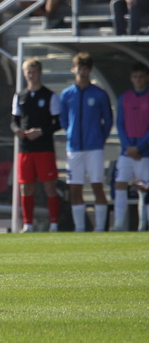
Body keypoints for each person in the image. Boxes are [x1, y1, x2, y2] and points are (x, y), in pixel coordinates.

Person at [60, 53, 113, 232]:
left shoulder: (99, 94)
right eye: (79, 68)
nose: (82, 72)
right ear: (74, 69)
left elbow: (108, 120)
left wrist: (100, 138)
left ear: (90, 70)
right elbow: (64, 120)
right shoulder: (67, 94)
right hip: (74, 148)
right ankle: (80, 228)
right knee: (75, 189)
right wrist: (71, 134)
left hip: (94, 148)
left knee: (97, 185)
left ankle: (99, 228)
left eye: (85, 69)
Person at [11, 58, 62, 233]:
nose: (31, 75)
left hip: (44, 147)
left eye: (34, 72)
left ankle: (54, 224)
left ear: (40, 73)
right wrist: (18, 131)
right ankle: (28, 224)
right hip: (25, 148)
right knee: (26, 186)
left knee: (49, 185)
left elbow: (57, 123)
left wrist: (41, 131)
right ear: (24, 74)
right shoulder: (20, 96)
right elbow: (14, 122)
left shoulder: (49, 95)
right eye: (28, 72)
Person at [114, 62, 149, 231]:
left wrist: (140, 147)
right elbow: (120, 123)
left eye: (141, 77)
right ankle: (119, 224)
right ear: (131, 78)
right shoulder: (125, 97)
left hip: (145, 152)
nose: (138, 80)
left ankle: (144, 224)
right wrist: (128, 146)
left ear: (147, 78)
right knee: (120, 183)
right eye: (135, 77)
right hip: (127, 151)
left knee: (144, 187)